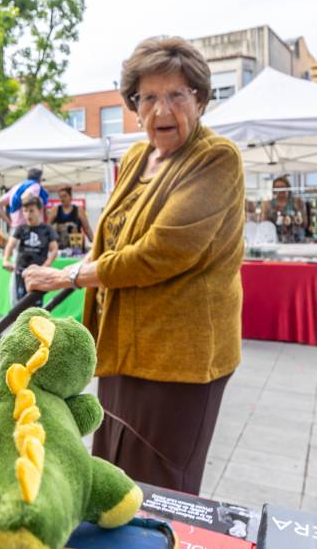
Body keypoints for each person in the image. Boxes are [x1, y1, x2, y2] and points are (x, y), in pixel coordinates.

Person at [22, 36, 244, 495]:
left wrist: (68, 276)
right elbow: (113, 240)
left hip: (177, 358)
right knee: (112, 474)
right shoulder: (137, 157)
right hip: (122, 345)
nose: (162, 110)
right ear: (135, 106)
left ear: (200, 100)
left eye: (177, 95)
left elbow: (162, 252)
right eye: (148, 97)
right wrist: (77, 273)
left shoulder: (215, 158)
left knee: (159, 486)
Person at [2, 192, 58, 306]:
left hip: (38, 274)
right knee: (20, 305)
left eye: (31, 211)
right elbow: (10, 245)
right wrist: (5, 260)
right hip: (21, 273)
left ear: (40, 211)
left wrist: (45, 266)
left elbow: (54, 250)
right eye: (25, 211)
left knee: (36, 306)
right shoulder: (21, 229)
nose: (28, 214)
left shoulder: (47, 229)